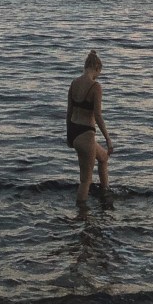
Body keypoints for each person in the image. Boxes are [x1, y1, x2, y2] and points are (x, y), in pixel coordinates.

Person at [66, 50, 113, 204]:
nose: (98, 76)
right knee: (86, 180)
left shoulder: (74, 83)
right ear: (96, 68)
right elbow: (98, 116)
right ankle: (81, 214)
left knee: (103, 158)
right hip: (86, 133)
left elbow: (69, 112)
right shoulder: (96, 87)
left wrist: (68, 136)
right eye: (99, 73)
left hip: (74, 131)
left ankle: (105, 195)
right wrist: (108, 139)